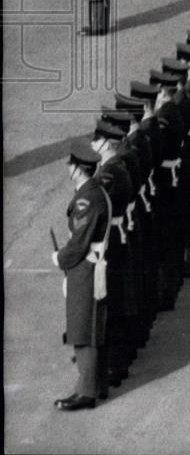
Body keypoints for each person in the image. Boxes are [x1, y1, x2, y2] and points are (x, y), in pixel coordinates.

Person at [52, 140, 111, 411]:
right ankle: (96, 384)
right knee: (89, 324)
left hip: (84, 268)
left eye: (70, 164)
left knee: (83, 328)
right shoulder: (94, 191)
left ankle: (86, 392)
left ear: (78, 169)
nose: (68, 167)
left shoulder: (88, 199)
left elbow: (79, 242)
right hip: (89, 265)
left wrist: (60, 258)